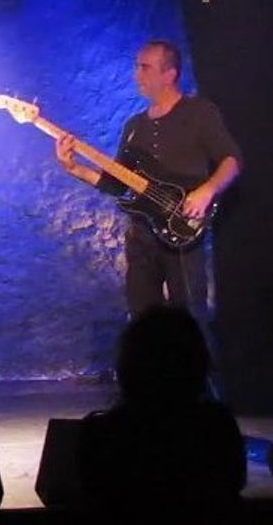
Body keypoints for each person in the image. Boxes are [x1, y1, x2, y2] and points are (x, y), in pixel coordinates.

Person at [55, 40, 242, 364]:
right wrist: (74, 168)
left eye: (145, 67)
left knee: (189, 319)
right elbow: (116, 184)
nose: (136, 74)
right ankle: (148, 396)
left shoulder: (199, 113)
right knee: (142, 321)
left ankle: (199, 396)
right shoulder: (134, 128)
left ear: (169, 74)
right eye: (136, 66)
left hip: (182, 232)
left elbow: (232, 160)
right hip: (141, 235)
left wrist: (207, 190)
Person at [76, 305, 246, 523]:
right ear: (199, 364)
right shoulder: (217, 426)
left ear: (126, 366)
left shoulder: (100, 434)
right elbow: (234, 484)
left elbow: (87, 494)